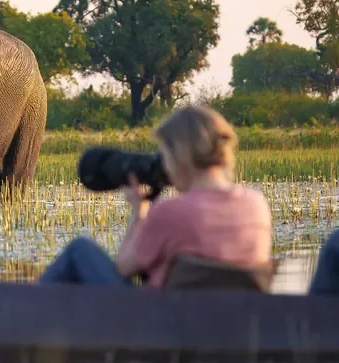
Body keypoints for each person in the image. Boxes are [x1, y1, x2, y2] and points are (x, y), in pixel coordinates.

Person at [39, 105, 273, 288]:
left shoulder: (172, 212)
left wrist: (140, 213)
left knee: (80, 250)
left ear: (179, 155)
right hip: (228, 327)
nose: (165, 166)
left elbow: (123, 268)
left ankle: (22, 321)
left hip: (162, 323)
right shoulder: (256, 204)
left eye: (165, 155)